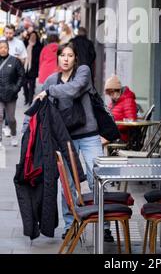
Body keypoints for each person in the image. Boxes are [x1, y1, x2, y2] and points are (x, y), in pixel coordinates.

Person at [34, 42, 113, 242]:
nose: (66, 59)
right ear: (58, 58)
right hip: (65, 139)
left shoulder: (83, 73)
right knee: (67, 184)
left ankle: (104, 225)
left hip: (89, 135)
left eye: (70, 55)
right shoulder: (51, 79)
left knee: (97, 178)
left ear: (75, 58)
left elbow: (73, 90)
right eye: (63, 55)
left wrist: (50, 91)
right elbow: (39, 108)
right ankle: (71, 224)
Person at [2, 24, 27, 137]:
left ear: (14, 32)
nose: (8, 35)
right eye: (6, 33)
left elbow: (24, 59)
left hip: (12, 80)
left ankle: (11, 130)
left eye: (10, 33)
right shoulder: (1, 41)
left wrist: (16, 88)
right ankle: (4, 131)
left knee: (11, 117)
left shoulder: (19, 43)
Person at [0, 39, 25, 147]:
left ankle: (14, 134)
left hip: (11, 95)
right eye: (0, 47)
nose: (3, 49)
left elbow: (21, 75)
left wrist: (16, 88)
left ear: (8, 49)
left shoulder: (15, 61)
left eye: (5, 47)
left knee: (11, 119)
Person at [104, 75, 137, 143]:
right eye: (109, 94)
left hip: (122, 136)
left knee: (98, 141)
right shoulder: (113, 103)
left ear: (118, 90)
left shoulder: (128, 101)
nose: (111, 96)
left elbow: (131, 121)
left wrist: (115, 125)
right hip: (113, 133)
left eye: (112, 93)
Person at [23, 31, 43, 106]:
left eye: (34, 36)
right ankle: (26, 98)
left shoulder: (39, 45)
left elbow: (40, 57)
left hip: (33, 68)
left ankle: (30, 100)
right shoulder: (25, 43)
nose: (33, 37)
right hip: (25, 68)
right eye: (31, 35)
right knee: (24, 84)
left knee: (31, 85)